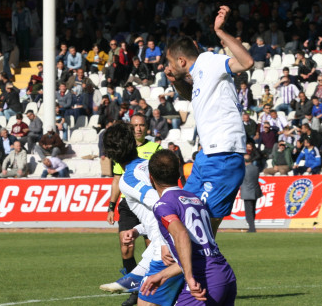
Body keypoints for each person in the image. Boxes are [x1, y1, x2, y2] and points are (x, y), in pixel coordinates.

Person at [164, 5, 253, 236]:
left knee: (200, 233)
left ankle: (207, 272)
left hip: (223, 156)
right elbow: (190, 95)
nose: (169, 67)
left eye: (171, 63)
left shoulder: (210, 61)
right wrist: (175, 81)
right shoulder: (199, 74)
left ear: (182, 61)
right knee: (183, 221)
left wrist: (220, 32)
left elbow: (246, 63)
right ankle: (181, 272)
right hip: (206, 156)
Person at [141, 149, 238, 305]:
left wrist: (189, 277)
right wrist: (163, 275)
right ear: (179, 174)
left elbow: (181, 235)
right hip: (225, 274)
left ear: (150, 178)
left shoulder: (163, 205)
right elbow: (199, 252)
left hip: (204, 279)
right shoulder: (194, 198)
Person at [101, 124, 183, 306]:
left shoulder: (128, 179)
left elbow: (162, 205)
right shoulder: (150, 165)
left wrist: (163, 243)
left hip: (166, 249)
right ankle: (135, 276)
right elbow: (164, 207)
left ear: (109, 155)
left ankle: (135, 278)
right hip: (174, 241)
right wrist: (138, 229)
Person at [105, 114, 161, 306]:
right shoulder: (135, 170)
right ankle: (136, 285)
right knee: (131, 246)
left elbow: (160, 204)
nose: (138, 128)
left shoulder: (131, 178)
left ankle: (140, 285)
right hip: (137, 210)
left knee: (157, 251)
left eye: (141, 125)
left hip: (165, 232)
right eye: (134, 126)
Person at [240, 154, 262, 233]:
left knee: (248, 211)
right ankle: (252, 227)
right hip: (255, 191)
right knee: (253, 210)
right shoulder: (256, 168)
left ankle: (252, 228)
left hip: (247, 192)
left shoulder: (243, 169)